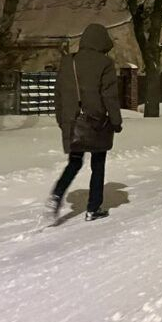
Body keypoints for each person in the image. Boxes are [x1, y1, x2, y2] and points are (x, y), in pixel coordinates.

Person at [48, 23, 123, 221]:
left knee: (74, 162)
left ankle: (56, 194)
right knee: (98, 164)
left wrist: (63, 120)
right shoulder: (105, 63)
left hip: (73, 122)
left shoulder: (68, 61)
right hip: (96, 122)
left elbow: (58, 94)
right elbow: (109, 96)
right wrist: (116, 121)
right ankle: (93, 208)